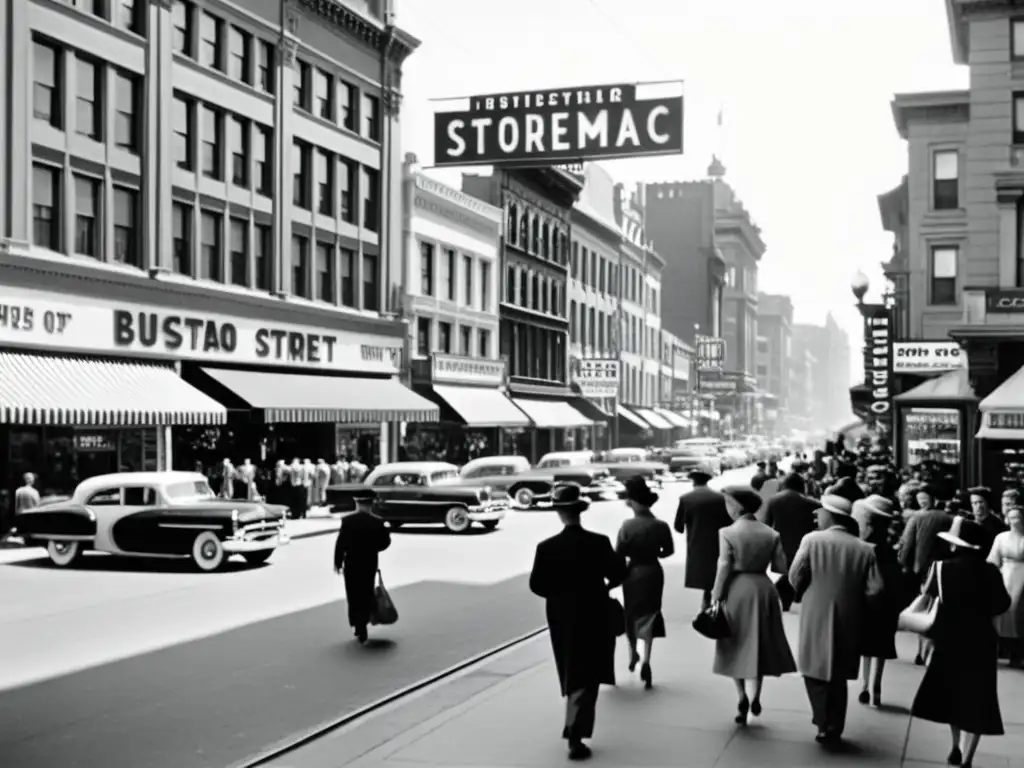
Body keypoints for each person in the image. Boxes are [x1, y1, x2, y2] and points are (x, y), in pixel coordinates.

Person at [529, 483, 627, 761]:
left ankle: (574, 726)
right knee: (590, 670)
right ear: (580, 512)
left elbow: (537, 585)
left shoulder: (546, 548)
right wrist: (603, 588)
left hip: (561, 613)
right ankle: (575, 733)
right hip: (594, 609)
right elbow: (620, 572)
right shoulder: (598, 542)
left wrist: (561, 594)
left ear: (560, 514)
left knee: (571, 666)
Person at [912, 517, 1011, 768]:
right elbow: (1002, 604)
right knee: (979, 699)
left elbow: (929, 595)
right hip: (981, 641)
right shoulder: (991, 572)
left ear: (956, 545)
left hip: (950, 637)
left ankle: (955, 746)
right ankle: (968, 758)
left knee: (952, 696)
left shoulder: (942, 568)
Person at [789, 493, 883, 745]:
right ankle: (835, 725)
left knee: (813, 668)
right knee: (838, 674)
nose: (815, 515)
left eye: (819, 511)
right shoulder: (864, 549)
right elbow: (875, 589)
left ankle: (822, 722)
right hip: (850, 615)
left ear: (830, 515)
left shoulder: (812, 540)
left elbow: (795, 575)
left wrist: (804, 591)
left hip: (815, 612)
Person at [710, 485, 796, 725]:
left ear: (737, 506)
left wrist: (716, 595)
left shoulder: (727, 532)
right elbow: (781, 566)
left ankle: (741, 697)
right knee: (759, 643)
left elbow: (724, 566)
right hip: (763, 588)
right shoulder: (770, 533)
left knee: (735, 643)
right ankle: (756, 696)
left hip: (737, 589)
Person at [616, 475, 674, 689]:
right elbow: (668, 551)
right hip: (653, 572)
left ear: (633, 502)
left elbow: (618, 552)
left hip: (633, 573)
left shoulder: (627, 526)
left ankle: (633, 655)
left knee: (631, 614)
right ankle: (647, 660)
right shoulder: (661, 525)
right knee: (650, 615)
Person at [898, 483, 953, 666]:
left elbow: (906, 545)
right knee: (939, 607)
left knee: (923, 607)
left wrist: (903, 563)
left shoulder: (916, 518)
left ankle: (922, 651)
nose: (922, 502)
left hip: (921, 568)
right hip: (944, 567)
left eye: (923, 498)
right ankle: (933, 649)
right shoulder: (948, 517)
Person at [852, 496, 899, 707]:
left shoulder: (864, 546)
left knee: (866, 646)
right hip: (887, 603)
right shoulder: (888, 549)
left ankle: (864, 686)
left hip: (866, 602)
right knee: (880, 646)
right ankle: (876, 687)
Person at [333, 488, 391, 644]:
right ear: (371, 504)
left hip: (351, 562)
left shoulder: (347, 521)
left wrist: (337, 562)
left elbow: (341, 543)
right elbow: (385, 543)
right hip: (369, 562)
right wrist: (373, 548)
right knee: (366, 592)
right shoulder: (377, 521)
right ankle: (364, 622)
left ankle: (357, 624)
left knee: (353, 594)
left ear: (357, 503)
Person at [674, 467, 732, 609]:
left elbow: (678, 527)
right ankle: (714, 603)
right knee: (716, 574)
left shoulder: (686, 499)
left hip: (696, 544)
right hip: (717, 543)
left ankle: (707, 605)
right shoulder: (720, 498)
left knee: (704, 577)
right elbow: (728, 522)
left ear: (693, 481)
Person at [763, 472, 819, 611]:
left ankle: (785, 595)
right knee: (799, 572)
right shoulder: (811, 503)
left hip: (781, 545)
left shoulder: (773, 500)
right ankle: (792, 594)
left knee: (788, 573)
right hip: (803, 545)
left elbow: (766, 525)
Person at [988, 503, 1024, 668]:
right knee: (1001, 610)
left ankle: (1017, 652)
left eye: (1017, 517)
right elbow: (994, 558)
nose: (1013, 521)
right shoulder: (1001, 537)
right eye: (1010, 517)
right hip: (1005, 573)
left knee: (1017, 611)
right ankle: (999, 648)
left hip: (1021, 576)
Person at [970, 486, 1007, 555]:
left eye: (981, 502)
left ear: (987, 502)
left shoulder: (997, 524)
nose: (978, 506)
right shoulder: (968, 520)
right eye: (974, 503)